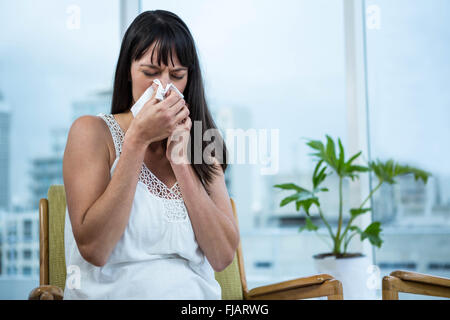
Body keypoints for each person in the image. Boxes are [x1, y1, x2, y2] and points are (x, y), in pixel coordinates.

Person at [62, 10, 239, 299]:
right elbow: (95, 249)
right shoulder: (91, 133)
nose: (164, 87)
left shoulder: (203, 145)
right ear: (128, 73)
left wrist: (182, 164)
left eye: (177, 75)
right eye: (150, 73)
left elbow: (221, 257)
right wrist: (137, 140)